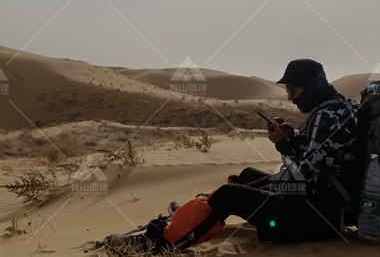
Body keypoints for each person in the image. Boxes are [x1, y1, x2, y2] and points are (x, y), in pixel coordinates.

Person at [105, 59, 358, 251]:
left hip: (315, 218)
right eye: (287, 91)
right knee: (247, 176)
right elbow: (324, 161)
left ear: (311, 87)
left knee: (229, 195)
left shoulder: (328, 117)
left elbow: (303, 176)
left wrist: (282, 145)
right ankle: (193, 216)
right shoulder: (338, 107)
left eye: (293, 90)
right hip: (316, 206)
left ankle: (159, 241)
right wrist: (294, 139)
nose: (290, 98)